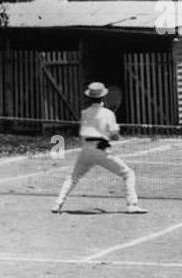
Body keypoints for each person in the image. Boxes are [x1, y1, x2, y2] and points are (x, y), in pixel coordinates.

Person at [52, 82, 148, 214]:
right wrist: (114, 135)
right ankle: (132, 204)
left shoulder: (84, 113)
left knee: (73, 177)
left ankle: (58, 204)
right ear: (103, 97)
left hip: (86, 149)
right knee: (128, 173)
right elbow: (115, 135)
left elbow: (84, 130)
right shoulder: (108, 114)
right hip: (101, 150)